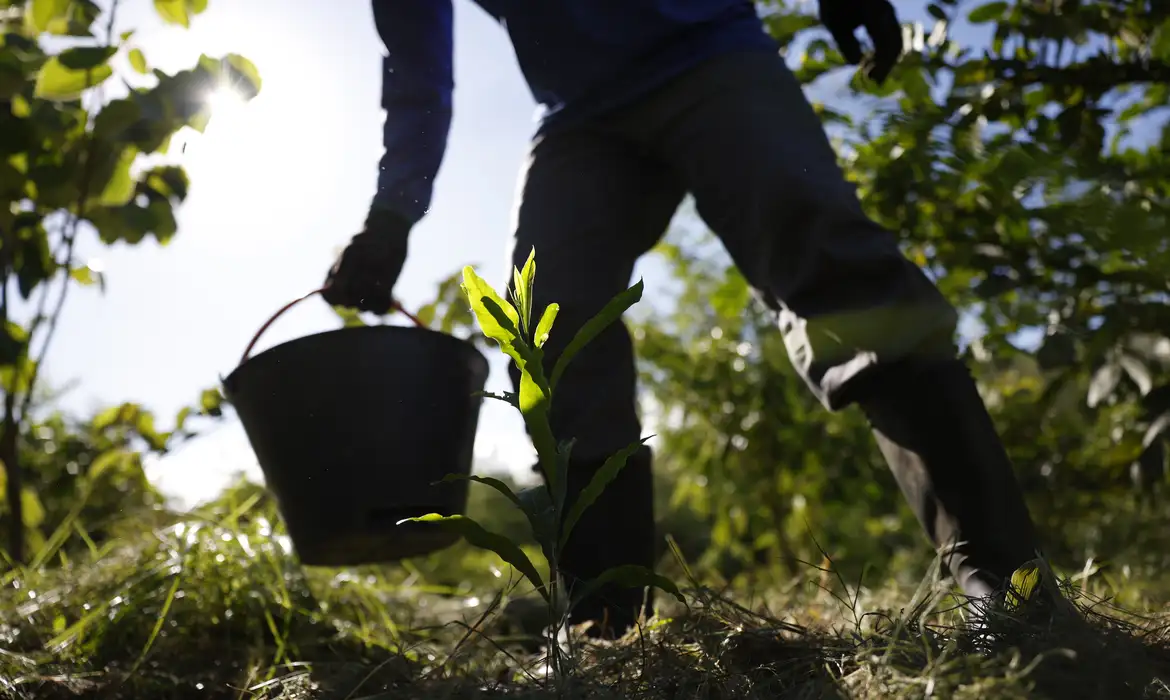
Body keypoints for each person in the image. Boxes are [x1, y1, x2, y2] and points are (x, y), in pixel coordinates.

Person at [322, 0, 1043, 639]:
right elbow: (416, 70)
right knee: (548, 333)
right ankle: (605, 624)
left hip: (710, 47)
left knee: (830, 260)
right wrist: (390, 217)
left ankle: (1005, 585)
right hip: (579, 114)